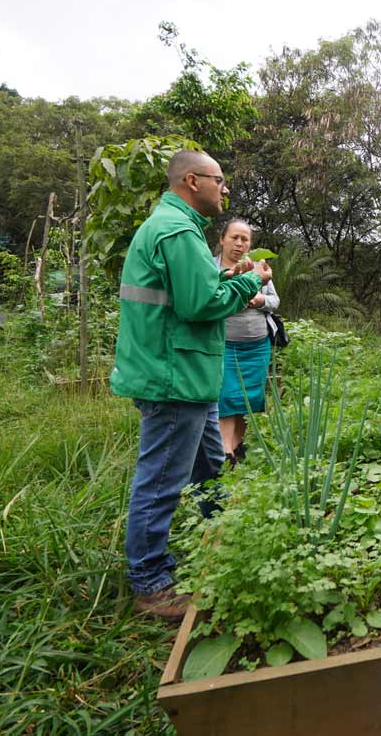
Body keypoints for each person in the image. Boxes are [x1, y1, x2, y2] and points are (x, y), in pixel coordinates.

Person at [111, 150, 273, 621]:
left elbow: (189, 289)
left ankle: (222, 535)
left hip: (188, 374)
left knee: (208, 465)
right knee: (162, 478)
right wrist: (247, 285)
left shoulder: (172, 226)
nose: (224, 190)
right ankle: (151, 581)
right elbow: (199, 305)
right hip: (173, 376)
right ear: (191, 180)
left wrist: (227, 277)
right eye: (218, 180)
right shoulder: (178, 230)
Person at [213, 218, 280, 462]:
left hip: (256, 346)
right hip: (224, 345)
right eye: (234, 238)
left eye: (245, 239)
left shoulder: (258, 267)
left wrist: (260, 301)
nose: (239, 244)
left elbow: (274, 301)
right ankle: (224, 452)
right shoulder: (211, 268)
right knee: (226, 396)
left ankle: (237, 447)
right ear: (222, 240)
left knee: (246, 399)